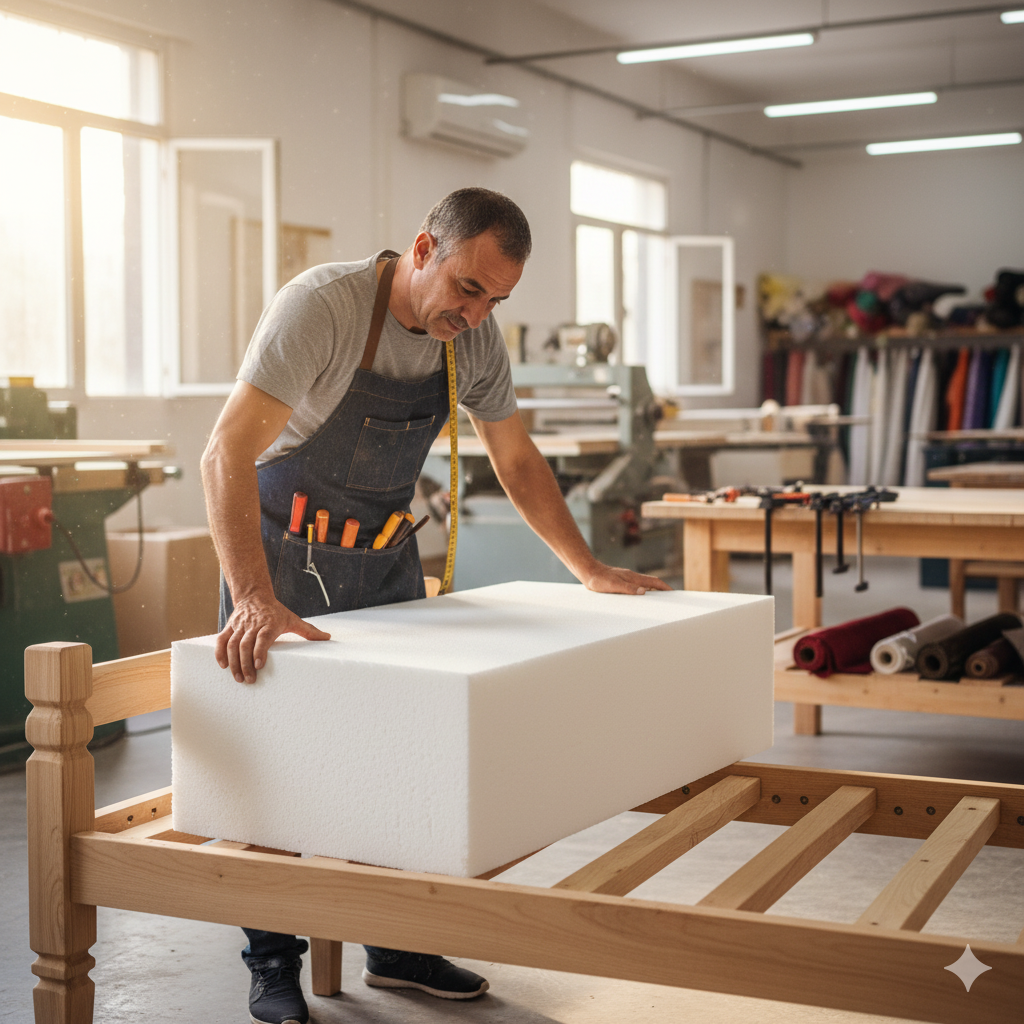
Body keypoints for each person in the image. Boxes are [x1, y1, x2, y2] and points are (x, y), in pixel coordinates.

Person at [201, 187, 670, 1024]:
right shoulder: (323, 308)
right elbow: (224, 453)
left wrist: (588, 567)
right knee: (278, 766)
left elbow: (517, 459)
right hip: (278, 562)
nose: (477, 312)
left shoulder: (475, 338)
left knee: (392, 754)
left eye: (497, 298)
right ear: (423, 249)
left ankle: (396, 945)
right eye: (467, 287)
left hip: (383, 561)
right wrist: (252, 598)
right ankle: (272, 963)